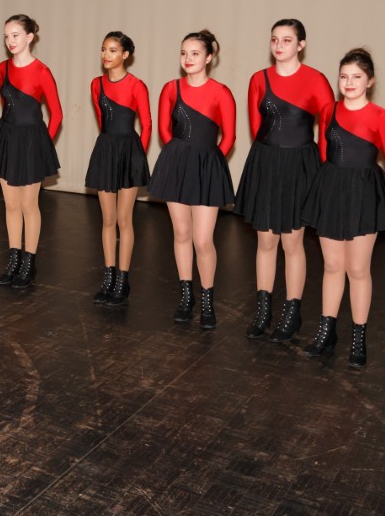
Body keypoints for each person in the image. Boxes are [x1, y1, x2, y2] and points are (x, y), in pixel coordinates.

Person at [235, 19, 334, 343]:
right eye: (275, 39)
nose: (279, 46)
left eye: (287, 40)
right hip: (266, 163)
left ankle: (292, 312)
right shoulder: (258, 79)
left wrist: (323, 173)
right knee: (265, 241)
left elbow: (329, 128)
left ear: (301, 44)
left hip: (299, 166)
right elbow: (256, 128)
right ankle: (263, 310)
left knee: (292, 243)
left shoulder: (316, 80)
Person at [299, 49, 385, 366]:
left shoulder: (382, 117)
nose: (349, 83)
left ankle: (359, 338)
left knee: (357, 269)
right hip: (331, 190)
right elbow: (325, 153)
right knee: (332, 266)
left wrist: (376, 199)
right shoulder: (329, 110)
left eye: (357, 77)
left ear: (370, 81)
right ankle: (326, 332)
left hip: (364, 196)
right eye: (344, 76)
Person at [148, 30, 236, 329]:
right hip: (177, 165)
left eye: (195, 53)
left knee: (202, 239)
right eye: (184, 53)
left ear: (209, 57)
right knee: (182, 233)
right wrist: (178, 158)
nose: (188, 58)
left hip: (206, 168)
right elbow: (164, 130)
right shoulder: (171, 89)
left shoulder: (221, 92)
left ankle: (207, 299)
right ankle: (186, 297)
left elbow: (229, 137)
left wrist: (209, 163)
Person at [0, 14, 63, 289]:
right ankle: (14, 259)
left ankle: (29, 262)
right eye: (7, 36)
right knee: (11, 205)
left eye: (15, 35)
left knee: (29, 205)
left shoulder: (42, 71)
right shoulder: (2, 68)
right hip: (8, 138)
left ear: (30, 37)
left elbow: (56, 114)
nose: (10, 41)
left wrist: (41, 145)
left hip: (31, 141)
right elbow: (7, 104)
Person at [85, 31, 151, 307]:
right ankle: (109, 276)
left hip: (129, 153)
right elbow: (103, 121)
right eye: (104, 49)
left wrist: (137, 158)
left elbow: (146, 125)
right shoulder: (96, 84)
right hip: (106, 150)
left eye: (112, 50)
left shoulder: (137, 85)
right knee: (107, 219)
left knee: (125, 219)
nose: (106, 55)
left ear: (125, 55)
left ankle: (123, 279)